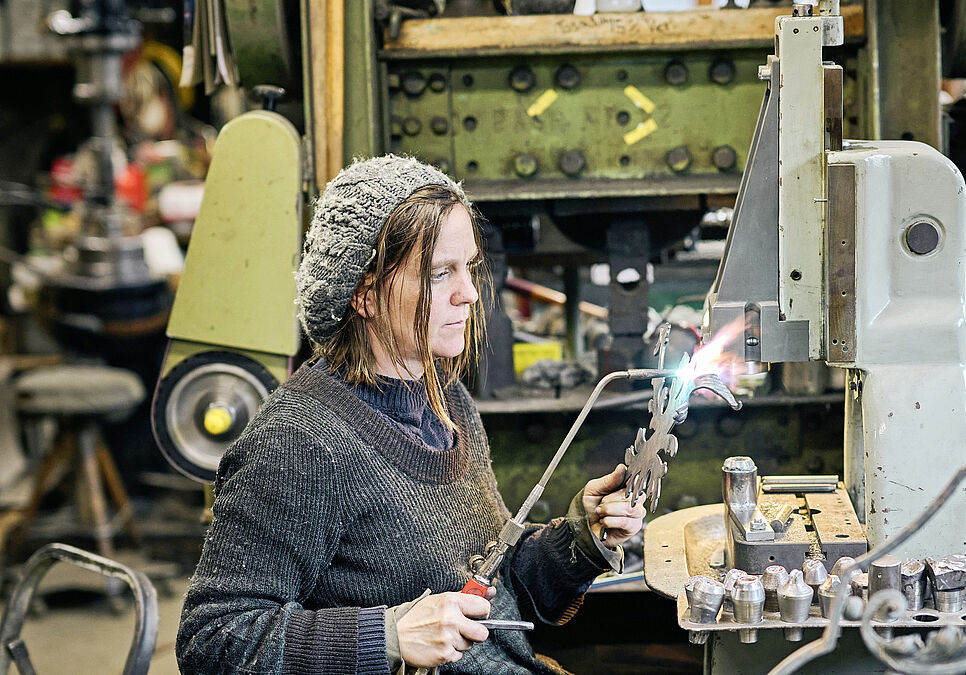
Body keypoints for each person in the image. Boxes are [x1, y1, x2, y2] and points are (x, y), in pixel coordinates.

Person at [176, 155, 646, 674]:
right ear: (364, 293)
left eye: (468, 267)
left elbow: (490, 595)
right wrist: (389, 636)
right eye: (439, 273)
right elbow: (211, 642)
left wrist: (580, 539)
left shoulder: (445, 400)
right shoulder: (299, 443)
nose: (468, 293)